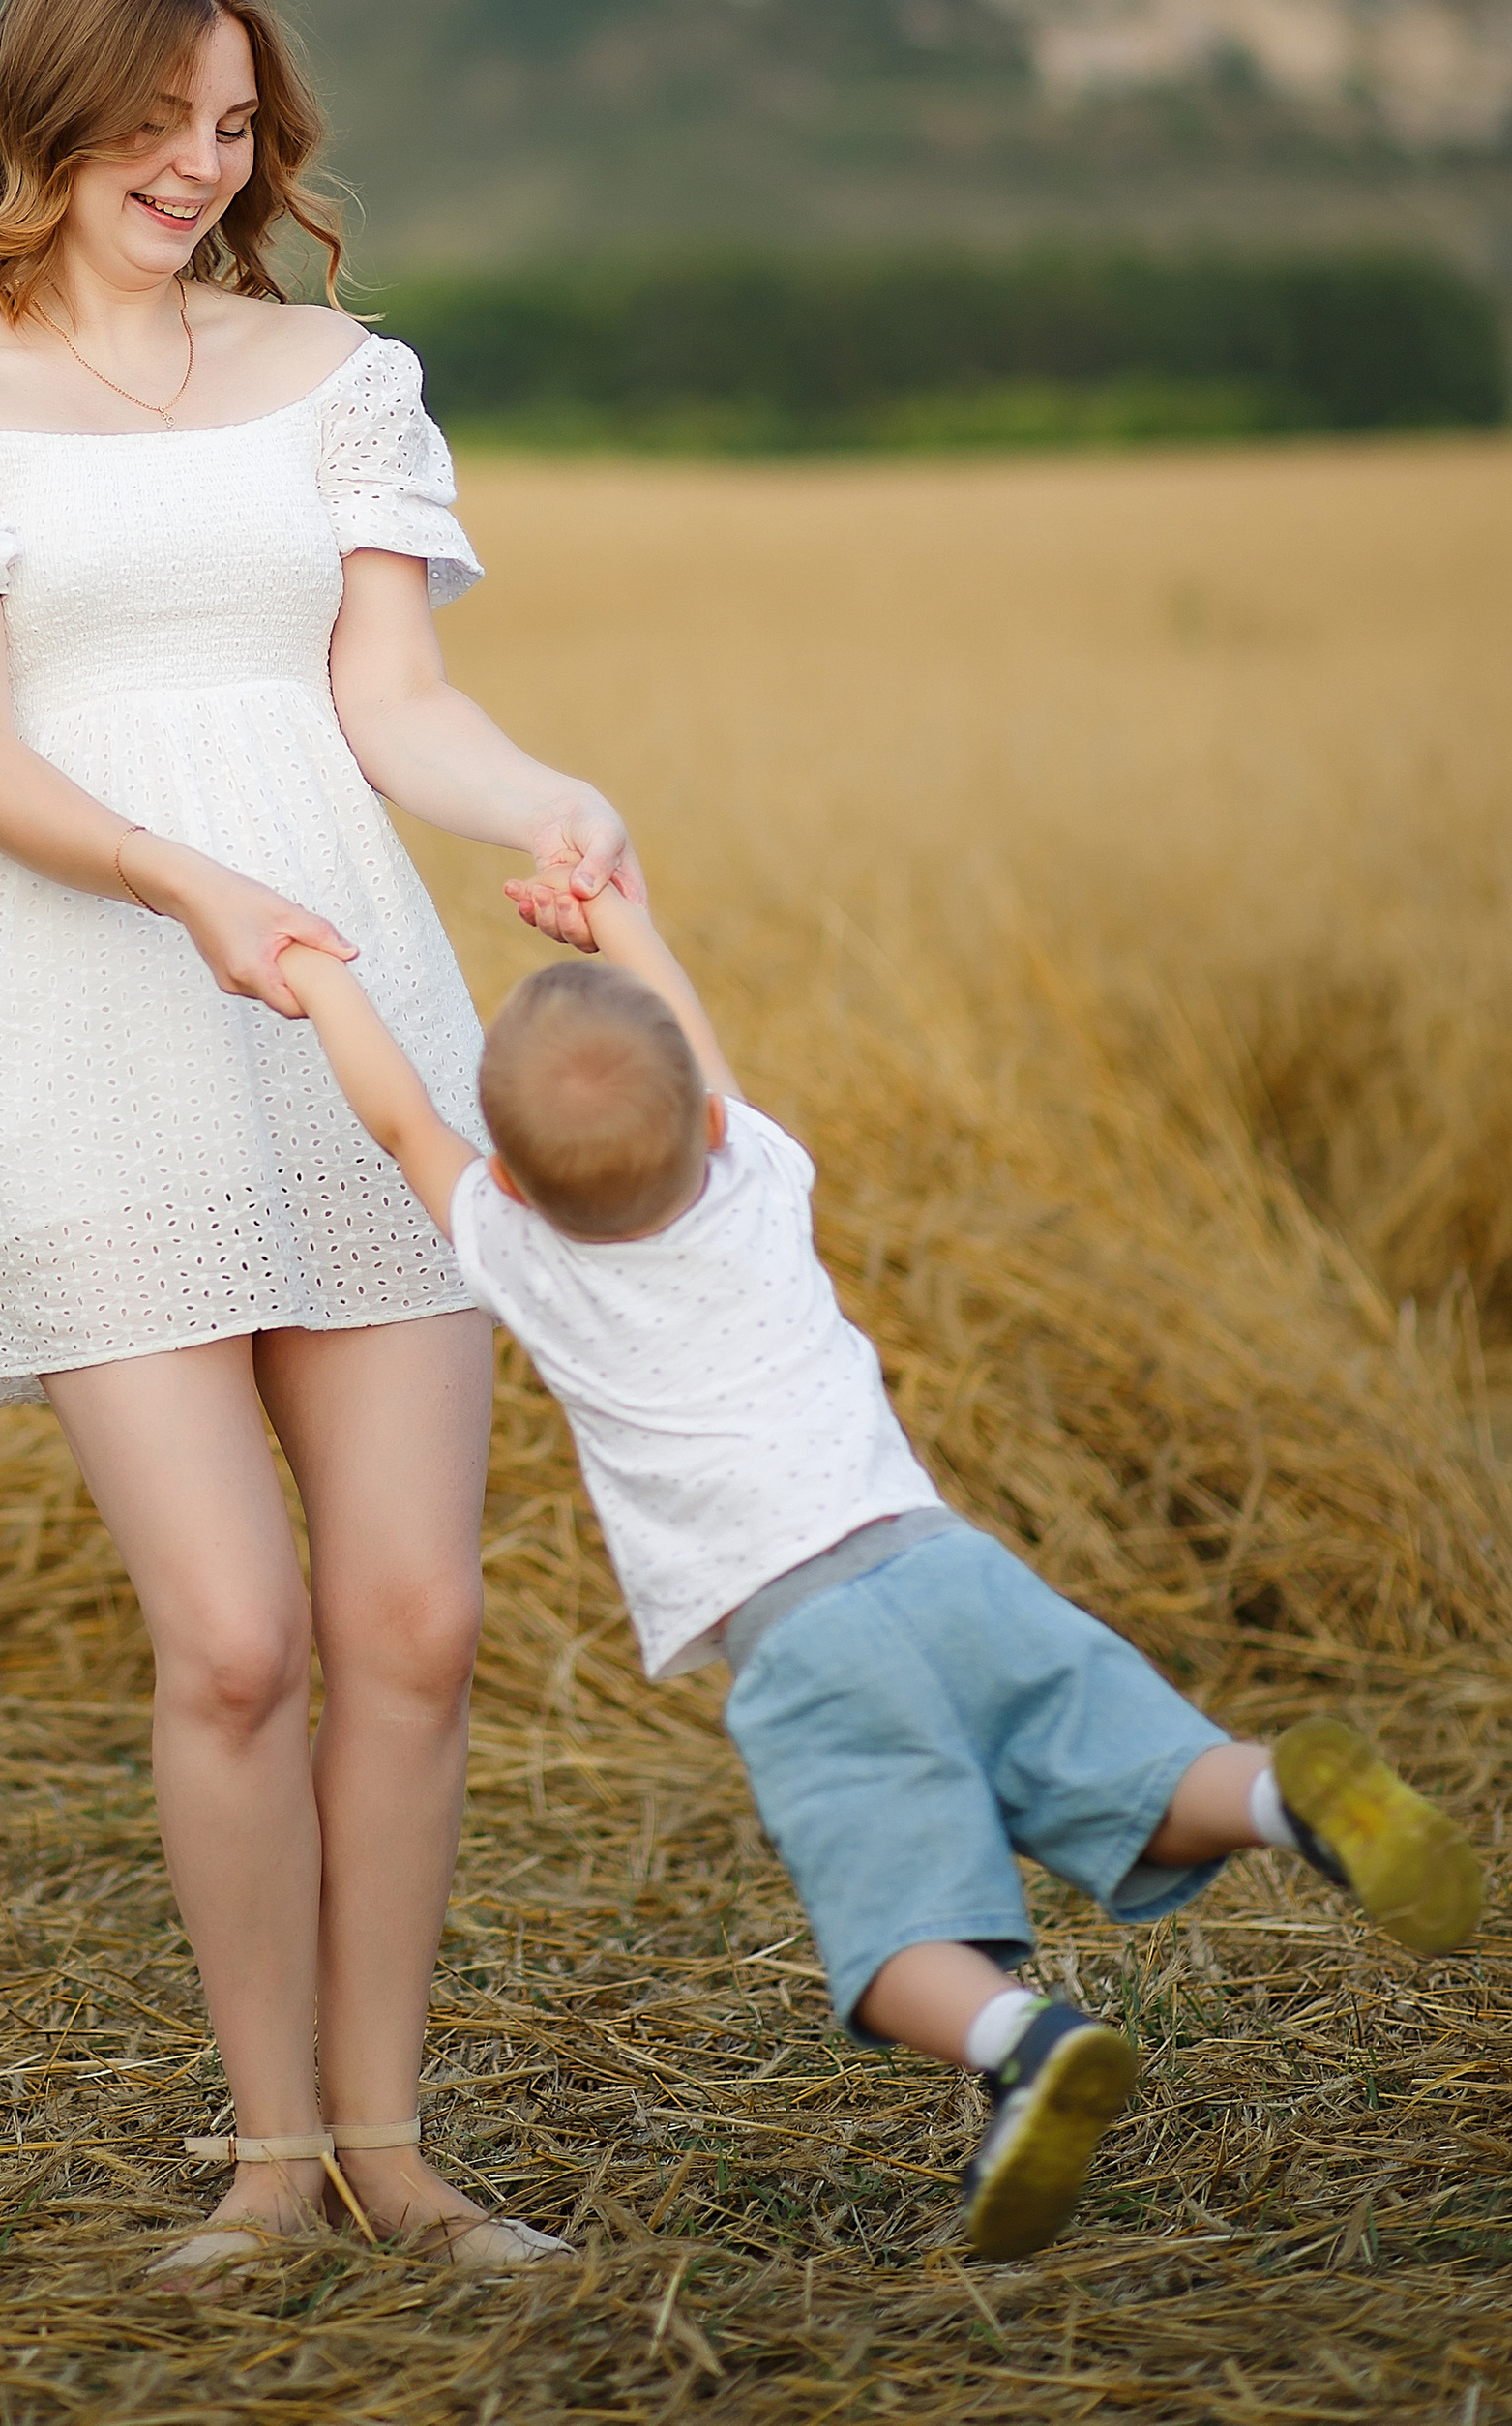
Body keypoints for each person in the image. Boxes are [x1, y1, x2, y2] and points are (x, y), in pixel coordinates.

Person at [0, 0, 637, 2284]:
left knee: (413, 1620)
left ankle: (391, 2145)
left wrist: (543, 797)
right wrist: (185, 883)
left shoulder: (334, 372)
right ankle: (266, 2164)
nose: (199, 163)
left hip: (354, 1016)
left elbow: (394, 705)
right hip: (89, 1034)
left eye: (235, 125)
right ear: (45, 127)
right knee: (237, 1639)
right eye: (154, 123)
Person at [273, 886, 1484, 2264]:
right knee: (1135, 1774)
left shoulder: (525, 1256)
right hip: (951, 1567)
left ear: (511, 1179)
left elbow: (398, 1124)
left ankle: (1026, 2042)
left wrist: (318, 976)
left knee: (897, 1928)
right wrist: (618, 917)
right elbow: (698, 1052)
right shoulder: (754, 1179)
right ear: (714, 1129)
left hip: (809, 1640)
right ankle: (1286, 1796)